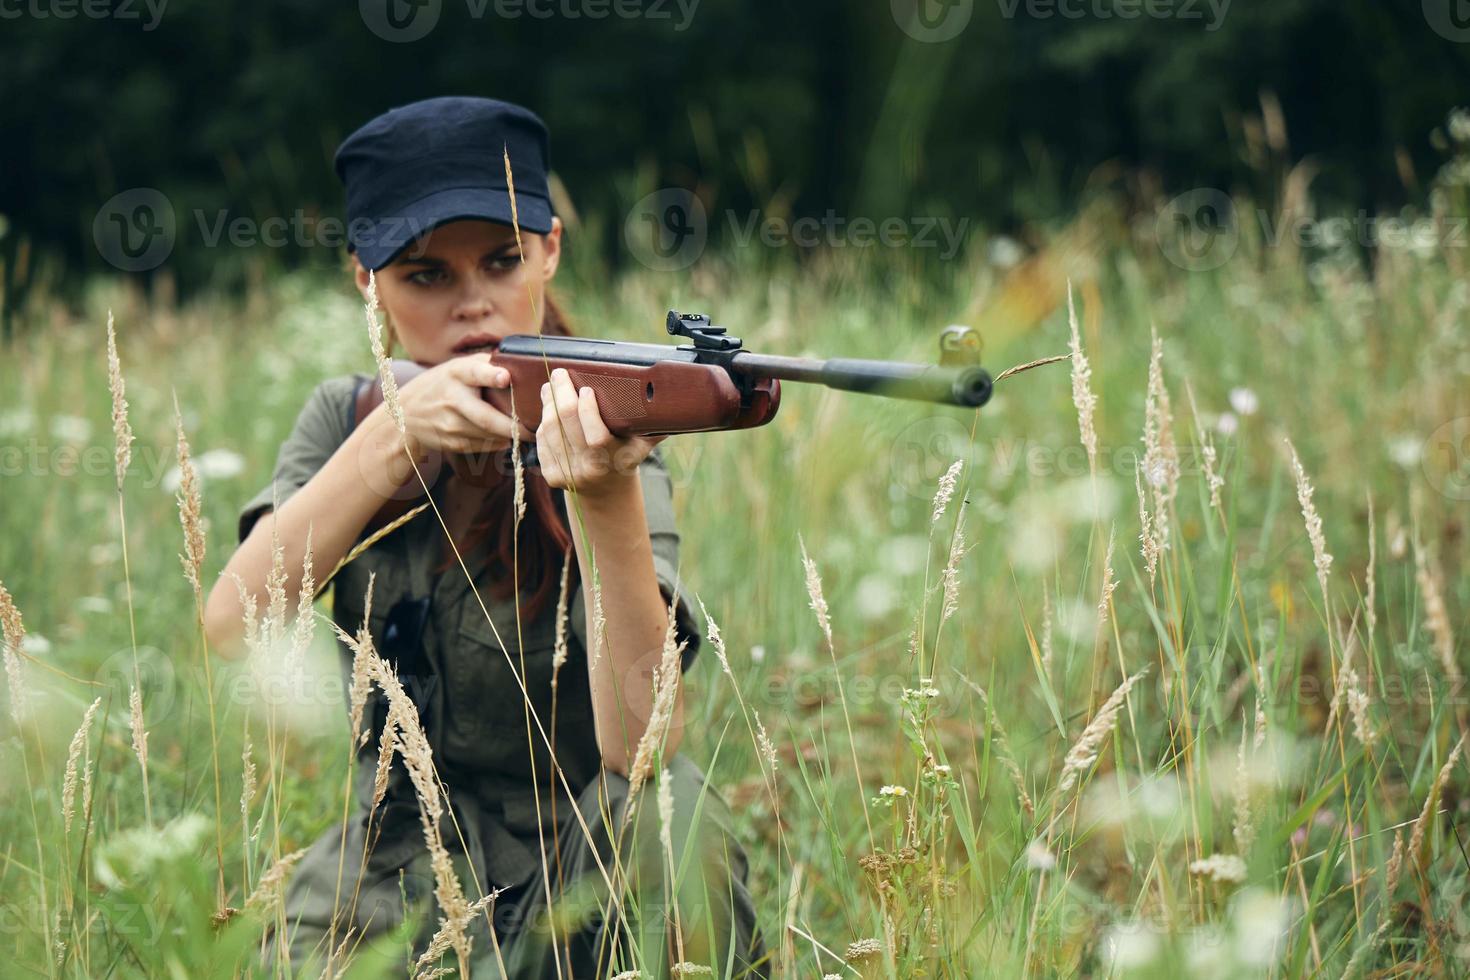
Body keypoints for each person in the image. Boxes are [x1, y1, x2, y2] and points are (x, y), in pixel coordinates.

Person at [203, 96, 768, 979]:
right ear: (367, 280)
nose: (473, 307)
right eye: (425, 275)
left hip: (575, 859)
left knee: (672, 816)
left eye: (503, 261)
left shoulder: (607, 416)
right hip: (393, 865)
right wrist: (392, 437)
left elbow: (643, 749)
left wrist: (606, 492)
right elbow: (233, 625)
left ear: (550, 249)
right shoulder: (348, 418)